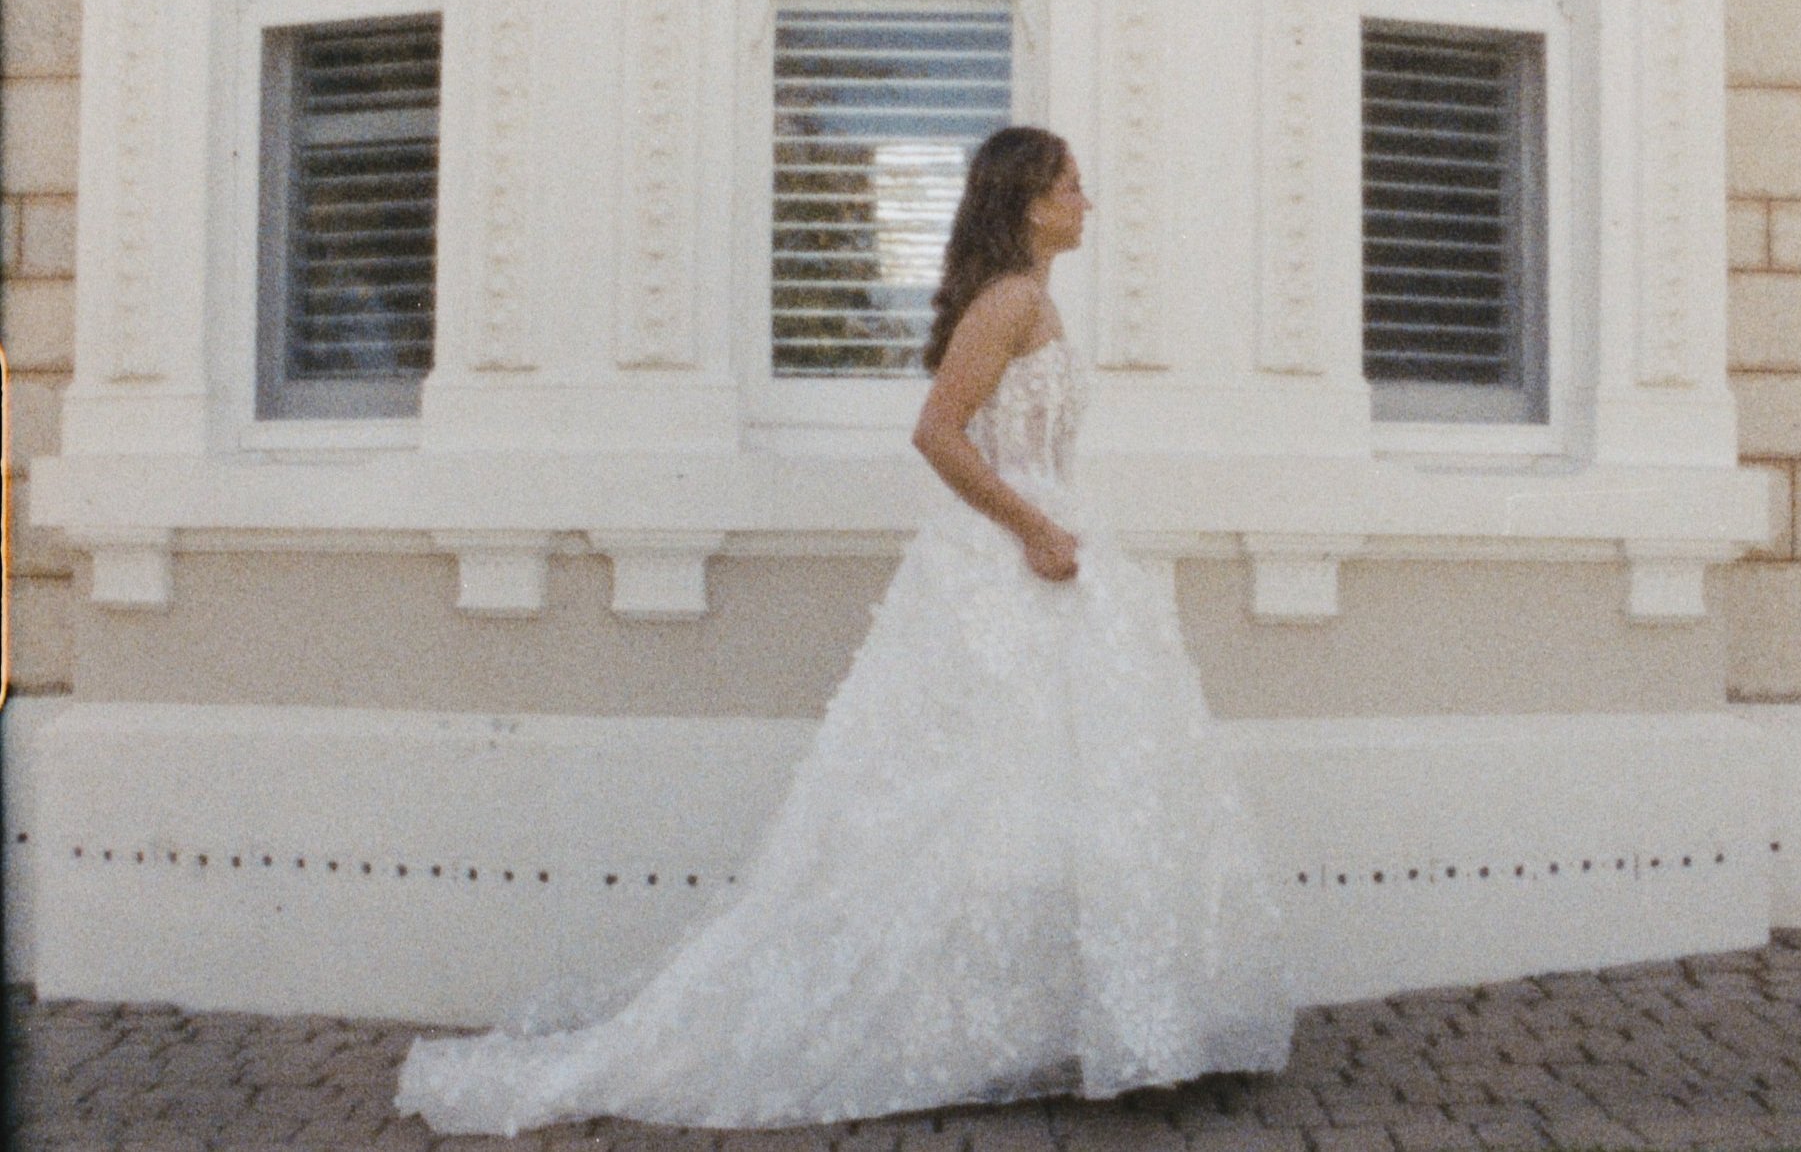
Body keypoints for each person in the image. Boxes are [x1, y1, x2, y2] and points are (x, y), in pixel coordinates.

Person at [394, 126, 1294, 1136]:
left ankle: (1052, 1024)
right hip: (1014, 559)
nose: (1090, 203)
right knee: (978, 800)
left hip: (1042, 559)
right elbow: (937, 432)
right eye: (1074, 187)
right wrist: (1036, 526)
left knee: (1037, 800)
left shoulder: (1030, 298)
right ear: (1032, 201)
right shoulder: (1011, 301)